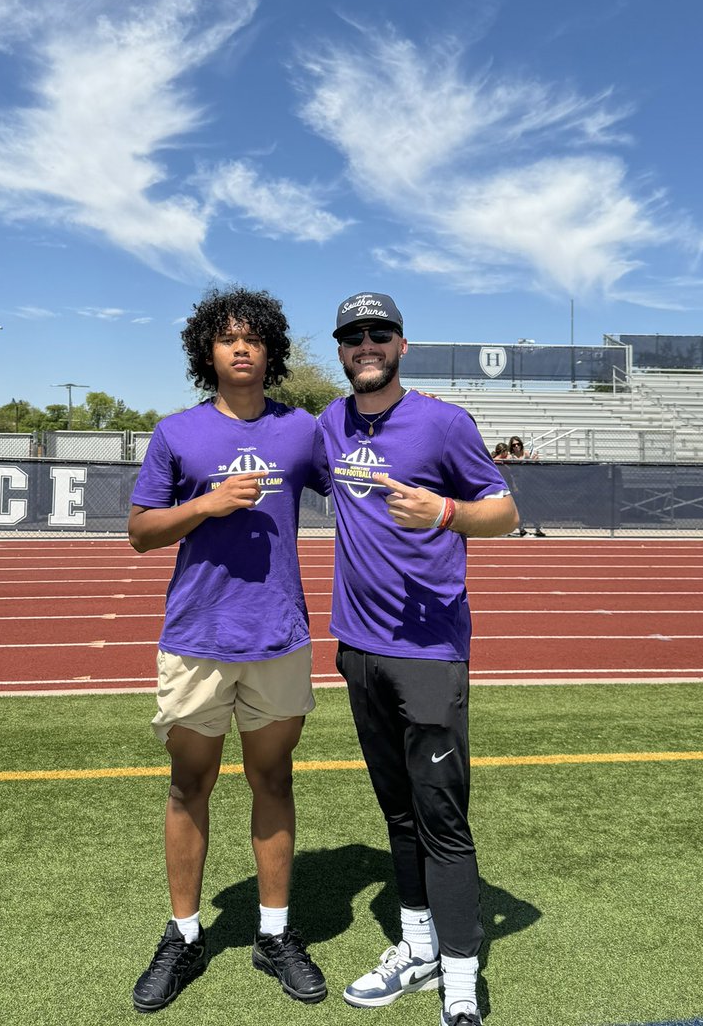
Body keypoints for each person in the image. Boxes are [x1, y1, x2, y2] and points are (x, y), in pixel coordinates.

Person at [319, 291, 519, 1026]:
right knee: (397, 813)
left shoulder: (443, 422)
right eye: (352, 336)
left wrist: (443, 511)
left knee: (442, 819)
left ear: (402, 343)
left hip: (430, 653)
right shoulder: (330, 425)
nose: (365, 344)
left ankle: (461, 976)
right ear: (341, 350)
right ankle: (417, 949)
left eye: (378, 333)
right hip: (359, 650)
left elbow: (504, 512)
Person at [128, 286, 329, 1013]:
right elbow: (141, 532)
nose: (240, 348)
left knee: (273, 781)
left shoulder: (302, 431)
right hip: (196, 641)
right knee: (190, 785)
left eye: (253, 338)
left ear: (270, 351)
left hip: (278, 636)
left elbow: (359, 492)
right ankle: (183, 936)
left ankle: (275, 933)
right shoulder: (176, 433)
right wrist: (206, 505)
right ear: (205, 352)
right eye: (226, 338)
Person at [506, 437, 546, 537]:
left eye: (518, 444)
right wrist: (514, 485)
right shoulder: (511, 457)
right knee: (520, 508)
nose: (516, 446)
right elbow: (509, 472)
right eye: (514, 445)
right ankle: (521, 529)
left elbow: (534, 466)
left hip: (529, 483)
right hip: (518, 484)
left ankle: (537, 528)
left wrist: (535, 460)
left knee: (533, 506)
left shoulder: (527, 454)